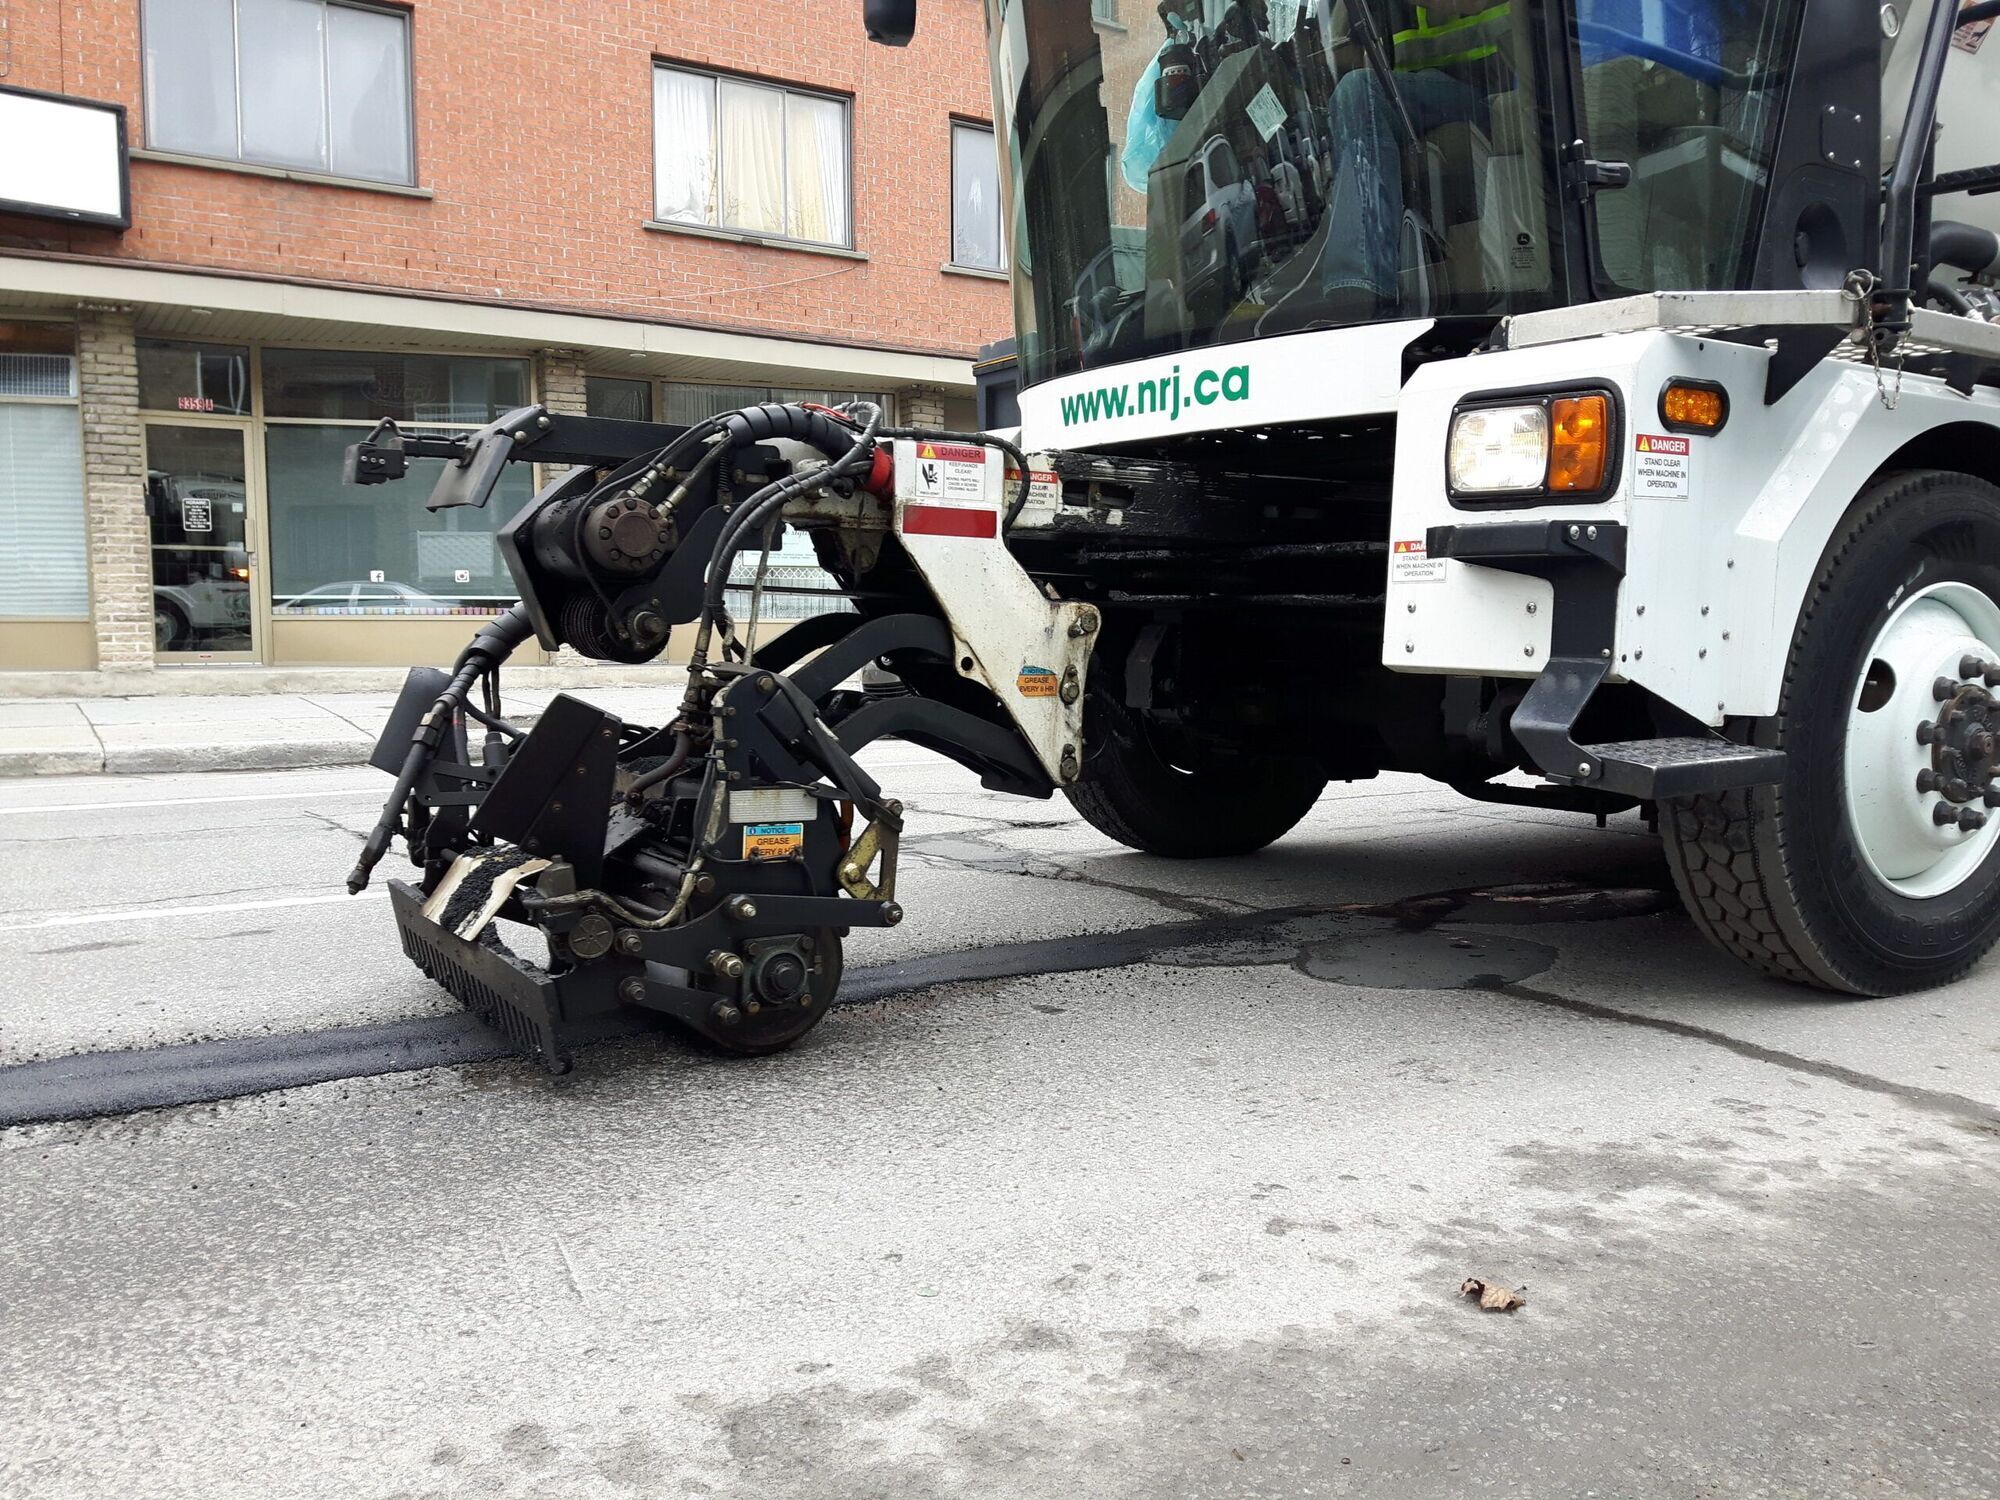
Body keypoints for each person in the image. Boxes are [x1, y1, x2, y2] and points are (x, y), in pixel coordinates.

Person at [1317, 0, 1512, 313]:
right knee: (1356, 95)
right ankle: (1360, 295)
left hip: (1487, 90)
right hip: (1410, 100)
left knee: (1359, 92)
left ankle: (1361, 296)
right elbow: (1337, 58)